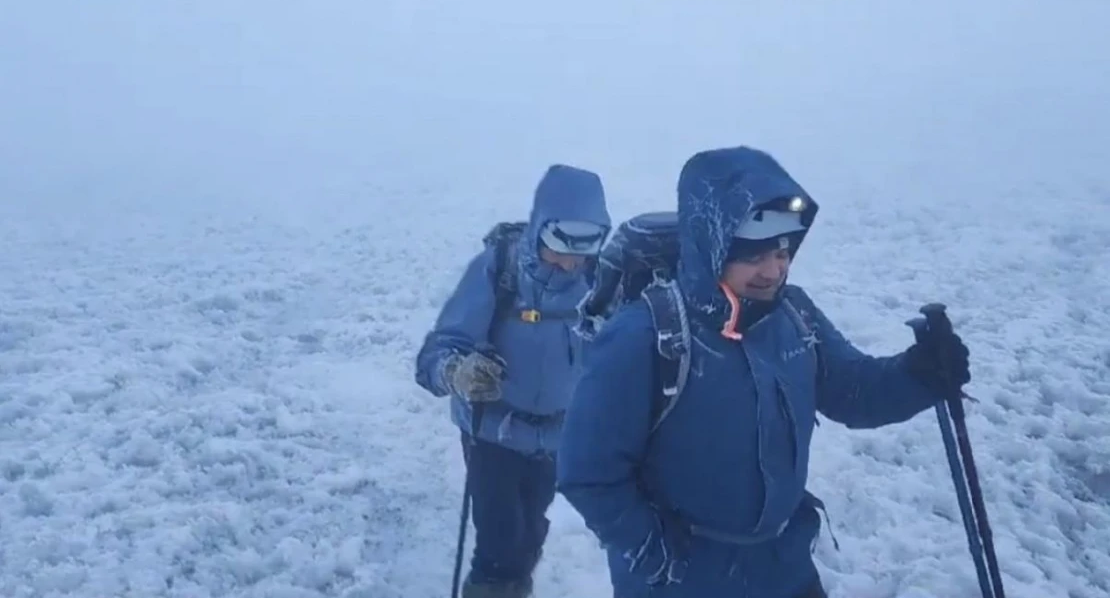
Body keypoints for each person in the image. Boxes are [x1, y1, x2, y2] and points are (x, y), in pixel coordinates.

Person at [555, 146, 971, 598]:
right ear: (712, 245)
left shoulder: (795, 317)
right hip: (682, 582)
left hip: (783, 569)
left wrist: (920, 373)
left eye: (783, 250)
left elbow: (854, 391)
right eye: (753, 255)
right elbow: (588, 470)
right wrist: (655, 554)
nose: (774, 270)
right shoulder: (644, 336)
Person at [415, 163, 612, 598]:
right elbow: (438, 350)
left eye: (584, 247)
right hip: (493, 434)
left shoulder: (601, 283)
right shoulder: (499, 271)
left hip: (558, 437)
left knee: (530, 530)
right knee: (500, 541)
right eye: (559, 244)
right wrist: (457, 371)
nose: (569, 261)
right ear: (541, 227)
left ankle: (514, 584)